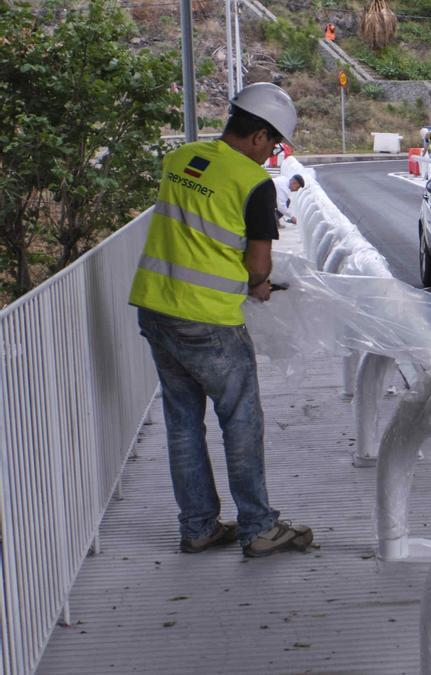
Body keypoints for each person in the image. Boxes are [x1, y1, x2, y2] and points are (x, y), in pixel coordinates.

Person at [128, 82, 314, 559]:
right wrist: (261, 284)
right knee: (241, 421)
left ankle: (198, 527)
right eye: (272, 144)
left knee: (183, 422)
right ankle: (258, 527)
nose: (271, 155)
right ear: (257, 137)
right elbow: (258, 267)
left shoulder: (179, 159)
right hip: (207, 319)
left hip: (156, 307)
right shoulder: (253, 184)